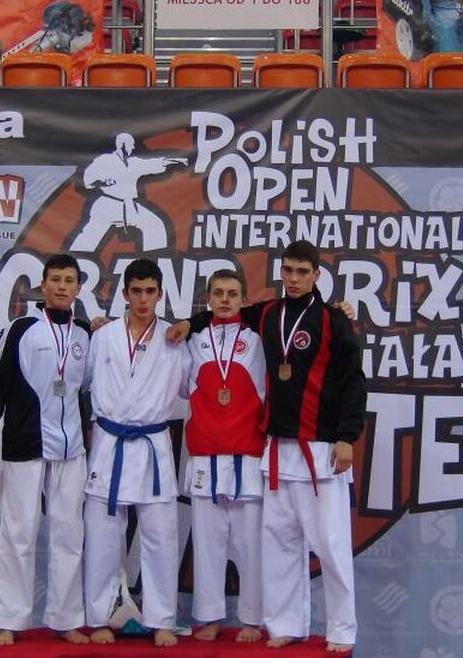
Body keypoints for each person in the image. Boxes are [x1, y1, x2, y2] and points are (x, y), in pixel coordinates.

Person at [171, 239, 366, 653]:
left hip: (320, 446)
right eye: (288, 270)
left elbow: (353, 381)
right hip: (277, 448)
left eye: (302, 272)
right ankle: (286, 623)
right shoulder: (268, 313)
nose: (293, 278)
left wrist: (347, 437)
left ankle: (342, 629)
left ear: (316, 275)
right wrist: (189, 322)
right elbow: (222, 313)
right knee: (279, 542)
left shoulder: (334, 320)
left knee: (330, 545)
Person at [0, 253, 91, 646]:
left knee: (69, 535)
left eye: (69, 281)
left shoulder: (83, 334)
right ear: (43, 284)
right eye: (55, 279)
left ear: (78, 287)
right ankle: (10, 620)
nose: (62, 287)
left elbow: (87, 391)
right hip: (25, 444)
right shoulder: (21, 328)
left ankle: (65, 618)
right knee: (19, 534)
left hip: (71, 450)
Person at [82, 258, 190, 647]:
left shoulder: (175, 338)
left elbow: (193, 387)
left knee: (161, 536)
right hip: (109, 445)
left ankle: (161, 619)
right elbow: (83, 381)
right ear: (125, 294)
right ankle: (98, 618)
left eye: (150, 292)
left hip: (152, 446)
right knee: (102, 536)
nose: (144, 299)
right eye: (137, 291)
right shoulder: (104, 336)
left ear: (160, 294)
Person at [181, 269, 267, 642]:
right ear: (208, 299)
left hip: (247, 452)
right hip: (205, 452)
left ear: (244, 299)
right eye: (218, 293)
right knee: (207, 543)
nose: (225, 300)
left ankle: (252, 618)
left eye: (232, 293)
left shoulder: (260, 339)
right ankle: (210, 616)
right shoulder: (192, 340)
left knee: (250, 544)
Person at [68, 133, 187, 253]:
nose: (133, 148)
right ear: (122, 145)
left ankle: (153, 259)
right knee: (89, 236)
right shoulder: (105, 160)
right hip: (108, 205)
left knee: (154, 224)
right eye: (131, 145)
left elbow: (153, 163)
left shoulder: (133, 163)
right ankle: (75, 258)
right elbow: (88, 179)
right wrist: (103, 182)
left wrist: (173, 160)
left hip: (130, 206)